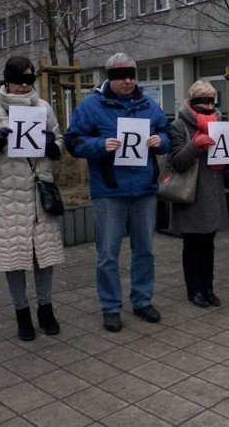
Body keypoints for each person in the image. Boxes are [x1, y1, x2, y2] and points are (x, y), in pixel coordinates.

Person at [64, 53, 171, 332]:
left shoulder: (149, 105)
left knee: (145, 250)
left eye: (132, 75)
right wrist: (99, 145)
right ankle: (110, 307)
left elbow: (166, 132)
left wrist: (161, 141)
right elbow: (73, 141)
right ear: (110, 77)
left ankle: (142, 299)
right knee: (108, 254)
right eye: (122, 76)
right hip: (109, 191)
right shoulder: (90, 107)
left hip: (144, 189)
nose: (128, 80)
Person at [0, 56, 65, 341]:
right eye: (19, 81)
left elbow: (60, 142)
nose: (24, 87)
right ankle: (21, 312)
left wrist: (53, 144)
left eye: (29, 81)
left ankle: (46, 308)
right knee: (13, 256)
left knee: (43, 254)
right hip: (6, 195)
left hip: (38, 192)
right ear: (7, 79)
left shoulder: (44, 107)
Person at [167, 82, 229, 307]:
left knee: (208, 243)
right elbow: (176, 162)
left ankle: (208, 287)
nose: (209, 105)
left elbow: (226, 163)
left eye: (212, 100)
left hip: (212, 193)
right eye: (204, 100)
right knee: (192, 244)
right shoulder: (179, 126)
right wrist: (195, 144)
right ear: (192, 101)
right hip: (190, 194)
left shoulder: (220, 123)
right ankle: (194, 290)